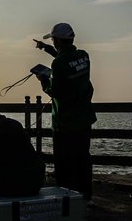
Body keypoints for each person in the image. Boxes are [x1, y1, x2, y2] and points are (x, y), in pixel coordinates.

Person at [34, 22, 97, 201]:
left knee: (64, 163)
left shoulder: (59, 63)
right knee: (83, 159)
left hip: (65, 123)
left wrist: (43, 80)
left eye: (53, 40)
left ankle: (66, 198)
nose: (53, 42)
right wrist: (46, 49)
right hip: (84, 118)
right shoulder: (84, 57)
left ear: (58, 41)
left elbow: (56, 92)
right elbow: (68, 61)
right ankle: (86, 195)